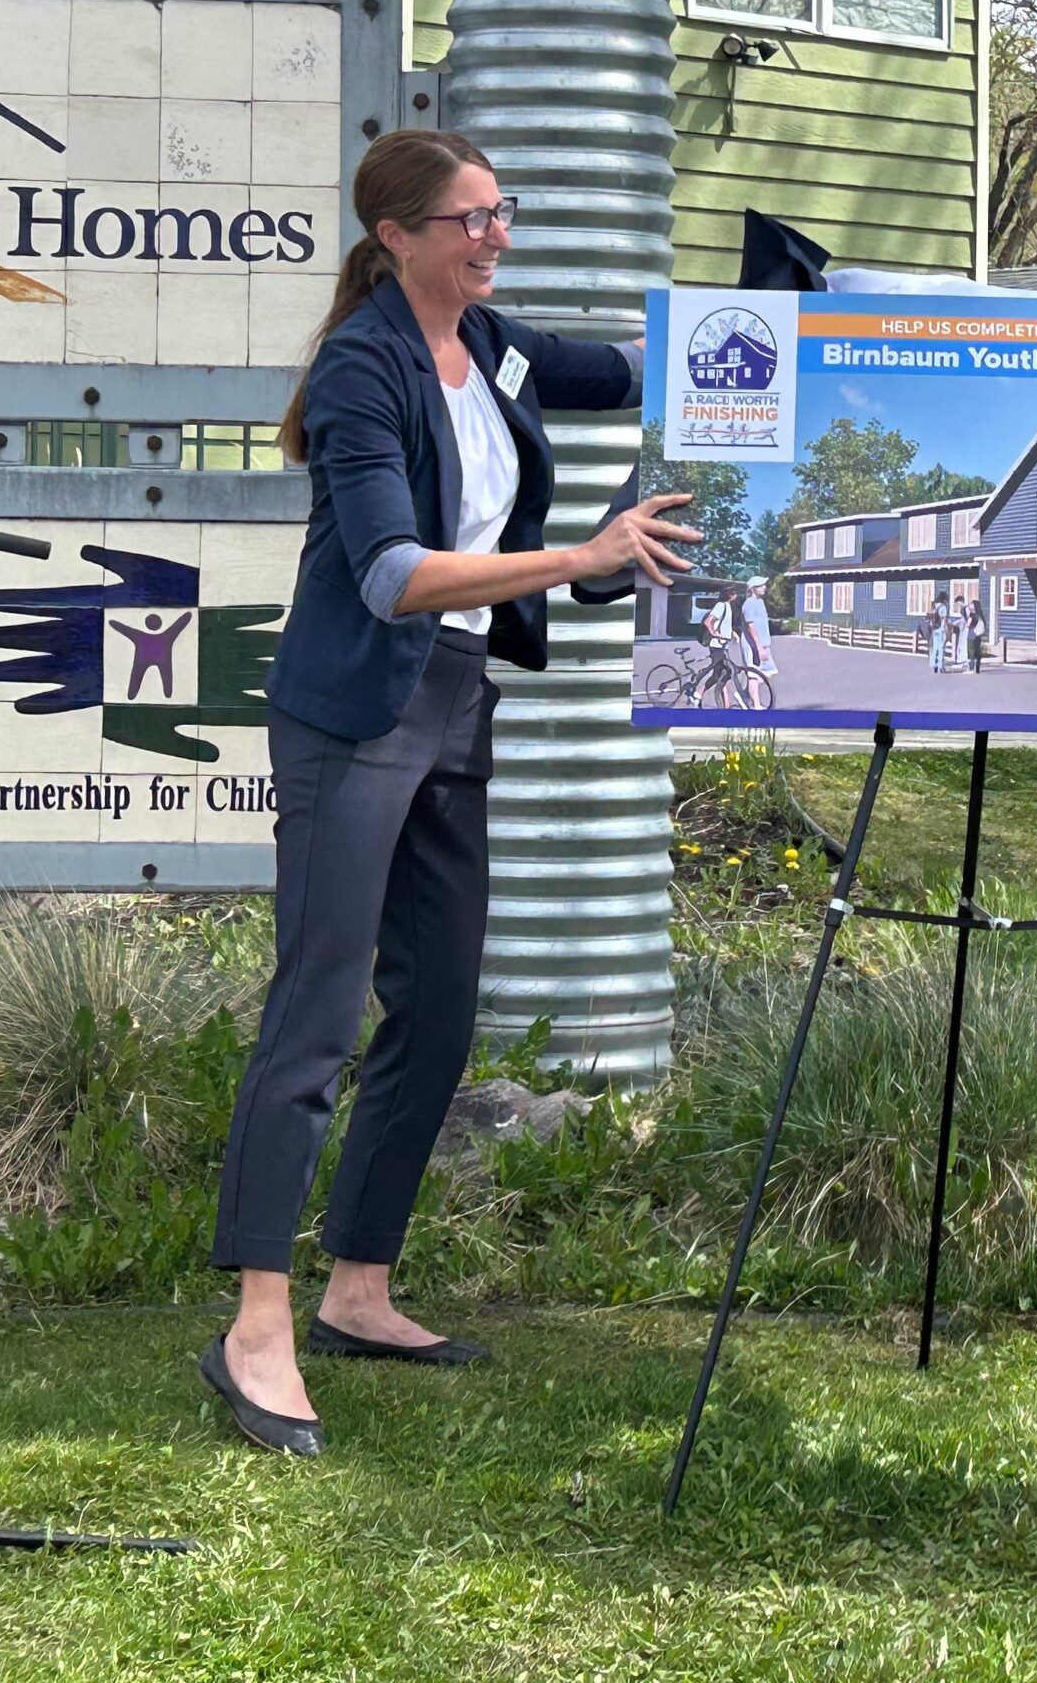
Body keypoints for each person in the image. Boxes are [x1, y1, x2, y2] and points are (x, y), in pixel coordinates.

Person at [201, 128, 699, 1456]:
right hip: (354, 713)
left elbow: (649, 367)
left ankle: (360, 1288)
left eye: (504, 212)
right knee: (315, 1012)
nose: (497, 237)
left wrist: (797, 322)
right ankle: (257, 1327)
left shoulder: (497, 345)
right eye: (473, 220)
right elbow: (395, 575)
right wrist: (579, 552)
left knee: (442, 1005)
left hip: (457, 705)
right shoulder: (363, 369)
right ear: (400, 236)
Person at [741, 576, 777, 679]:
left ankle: (745, 693)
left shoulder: (760, 602)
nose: (764, 587)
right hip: (753, 645)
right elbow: (750, 627)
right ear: (753, 589)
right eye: (760, 586)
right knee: (754, 674)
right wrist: (759, 647)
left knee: (769, 671)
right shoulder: (749, 604)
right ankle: (746, 693)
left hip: (763, 644)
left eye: (764, 585)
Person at [927, 595, 948, 674]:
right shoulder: (943, 607)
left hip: (934, 629)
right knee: (941, 648)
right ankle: (940, 666)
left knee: (935, 647)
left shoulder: (934, 606)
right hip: (940, 629)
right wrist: (945, 629)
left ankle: (933, 665)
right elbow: (944, 620)